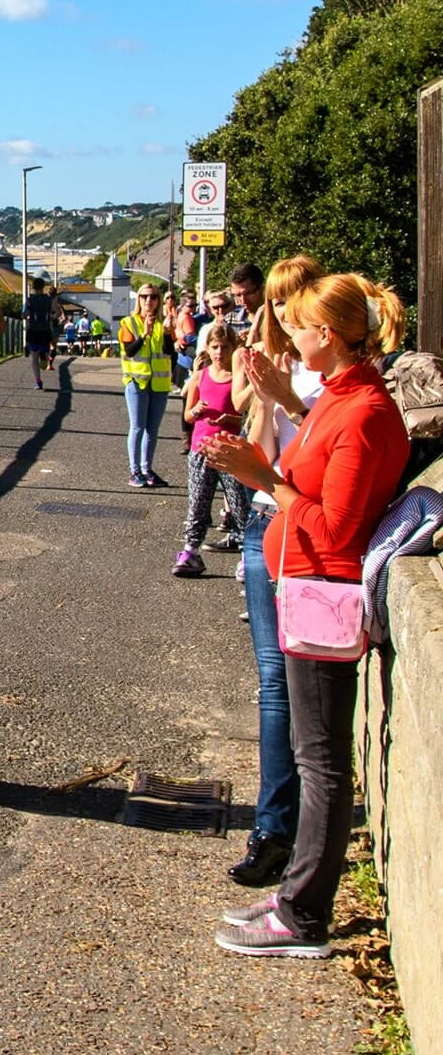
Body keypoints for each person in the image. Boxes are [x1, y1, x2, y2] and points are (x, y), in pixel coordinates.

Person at [205, 274, 409, 957]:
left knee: (319, 758)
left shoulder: (363, 414)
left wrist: (261, 476)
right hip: (305, 586)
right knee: (311, 749)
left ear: (330, 334)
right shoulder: (344, 401)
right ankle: (296, 894)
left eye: (300, 326)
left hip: (323, 591)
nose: (290, 334)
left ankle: (303, 916)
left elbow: (335, 526)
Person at [220, 254, 328, 886]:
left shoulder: (331, 375)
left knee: (293, 678)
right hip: (266, 521)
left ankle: (292, 826)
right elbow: (263, 449)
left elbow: (335, 442)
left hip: (304, 526)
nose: (284, 312)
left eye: (294, 299)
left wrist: (287, 395)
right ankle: (272, 827)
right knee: (271, 679)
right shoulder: (271, 360)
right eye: (277, 301)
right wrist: (263, 401)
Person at [174, 322, 250, 575]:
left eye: (225, 347)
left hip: (229, 449)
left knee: (239, 502)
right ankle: (191, 550)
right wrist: (196, 411)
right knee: (198, 502)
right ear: (207, 348)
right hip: (201, 448)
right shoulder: (200, 376)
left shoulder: (238, 378)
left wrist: (229, 420)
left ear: (233, 349)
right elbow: (188, 416)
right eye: (215, 347)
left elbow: (246, 416)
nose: (219, 353)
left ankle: (246, 554)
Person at [118, 285, 175, 488]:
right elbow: (129, 351)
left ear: (158, 300)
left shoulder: (163, 323)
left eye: (153, 297)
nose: (148, 301)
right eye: (144, 297)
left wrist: (168, 332)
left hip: (159, 382)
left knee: (152, 428)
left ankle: (147, 469)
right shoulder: (129, 323)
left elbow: (170, 352)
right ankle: (134, 471)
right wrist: (144, 334)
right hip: (137, 380)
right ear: (139, 299)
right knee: (137, 426)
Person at [23, 276, 57, 389]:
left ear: (33, 288)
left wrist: (28, 316)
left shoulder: (29, 300)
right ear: (43, 287)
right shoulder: (49, 299)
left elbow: (24, 314)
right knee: (46, 353)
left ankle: (38, 381)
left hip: (33, 330)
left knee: (34, 358)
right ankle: (44, 356)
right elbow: (57, 312)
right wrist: (51, 317)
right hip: (45, 330)